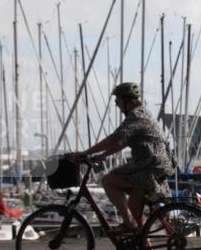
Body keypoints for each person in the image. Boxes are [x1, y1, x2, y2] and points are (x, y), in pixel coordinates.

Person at [70, 82, 175, 235]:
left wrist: (85, 153)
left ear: (128, 101)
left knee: (108, 180)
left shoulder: (136, 116)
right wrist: (101, 156)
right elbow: (121, 142)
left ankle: (128, 224)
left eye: (118, 100)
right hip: (151, 165)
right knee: (134, 212)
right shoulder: (141, 113)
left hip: (150, 166)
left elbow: (114, 139)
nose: (116, 104)